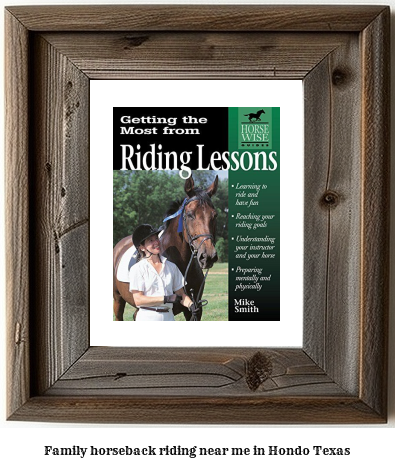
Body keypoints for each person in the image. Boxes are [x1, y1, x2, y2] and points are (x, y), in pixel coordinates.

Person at [129, 224, 196, 321]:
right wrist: (165, 299)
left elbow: (181, 295)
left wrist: (191, 305)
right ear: (142, 247)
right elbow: (138, 300)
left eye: (156, 238)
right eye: (151, 240)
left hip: (169, 317)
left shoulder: (171, 267)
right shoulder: (137, 269)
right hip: (147, 318)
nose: (156, 242)